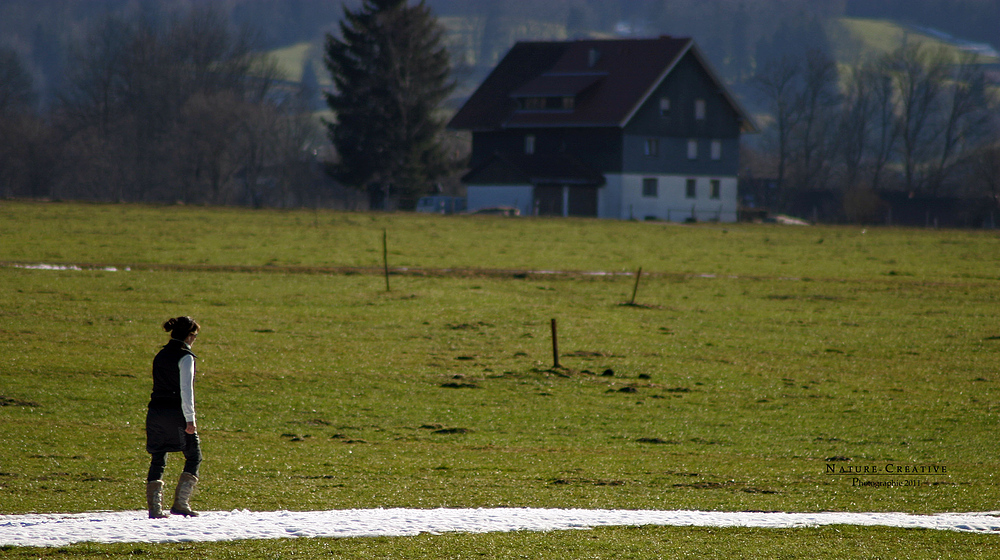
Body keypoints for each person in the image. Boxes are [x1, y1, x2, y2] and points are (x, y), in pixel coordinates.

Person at [145, 316, 203, 518]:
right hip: (175, 413)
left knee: (158, 457)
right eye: (195, 335)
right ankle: (181, 503)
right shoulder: (185, 357)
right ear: (188, 336)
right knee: (194, 456)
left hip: (155, 411)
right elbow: (186, 390)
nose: (195, 339)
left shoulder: (160, 355)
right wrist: (190, 419)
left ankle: (155, 508)